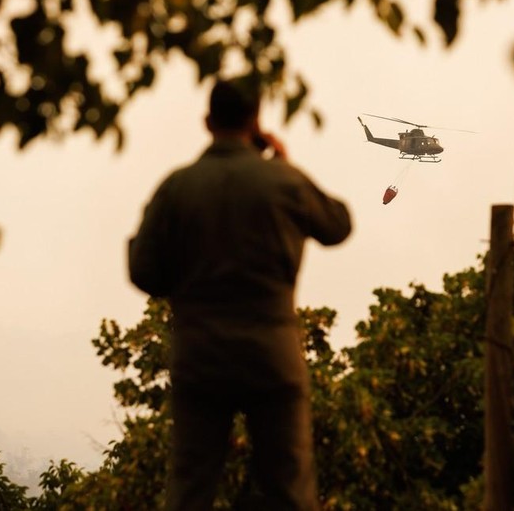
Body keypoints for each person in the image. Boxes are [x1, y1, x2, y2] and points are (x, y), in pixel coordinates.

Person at [128, 78, 352, 510]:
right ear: (256, 122)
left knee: (189, 489)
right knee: (291, 490)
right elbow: (337, 225)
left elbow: (144, 272)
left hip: (200, 356)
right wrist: (285, 164)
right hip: (273, 355)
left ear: (207, 122)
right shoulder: (282, 182)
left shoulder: (177, 187)